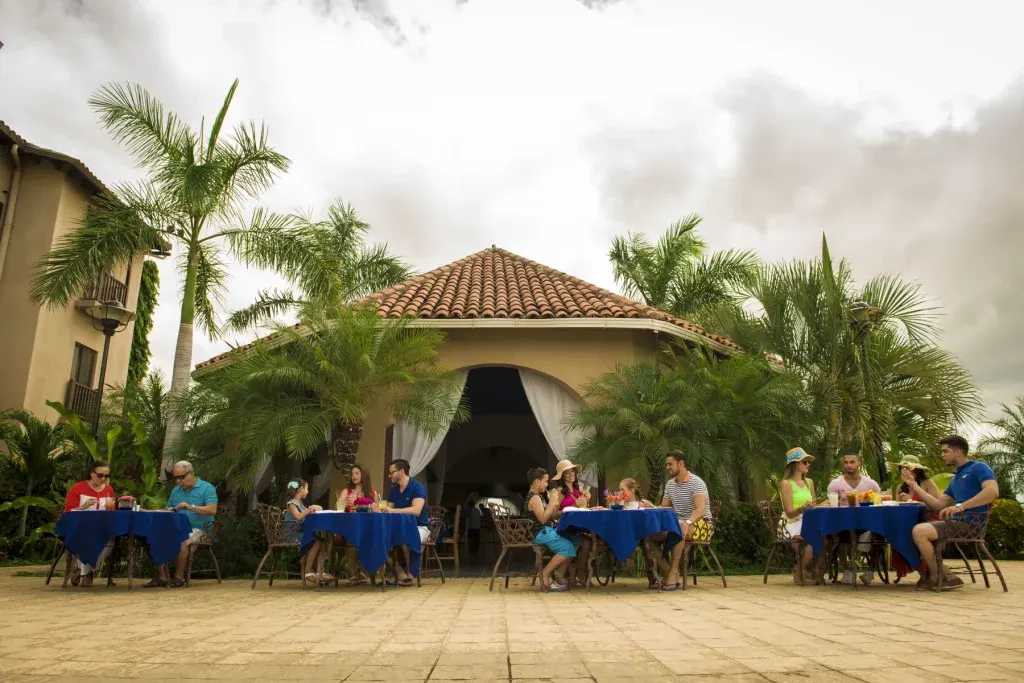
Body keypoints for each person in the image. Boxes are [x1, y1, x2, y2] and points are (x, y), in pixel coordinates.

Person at [907, 435, 998, 591]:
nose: (942, 455)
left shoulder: (978, 467)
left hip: (971, 523)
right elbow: (938, 504)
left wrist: (962, 506)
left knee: (919, 531)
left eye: (945, 451)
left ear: (958, 451)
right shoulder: (955, 479)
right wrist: (914, 486)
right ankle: (944, 575)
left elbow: (992, 491)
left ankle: (939, 576)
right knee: (914, 529)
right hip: (956, 522)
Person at [641, 450, 714, 592]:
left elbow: (700, 510)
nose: (667, 467)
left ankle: (672, 574)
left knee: (679, 527)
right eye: (666, 464)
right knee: (648, 536)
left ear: (680, 463)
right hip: (677, 524)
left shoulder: (696, 483)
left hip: (702, 524)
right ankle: (672, 572)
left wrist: (687, 522)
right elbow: (664, 508)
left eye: (670, 464)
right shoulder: (670, 484)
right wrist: (653, 506)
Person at [145, 461, 217, 588]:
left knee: (184, 539)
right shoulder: (176, 490)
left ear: (191, 473)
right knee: (154, 536)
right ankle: (162, 576)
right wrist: (149, 511)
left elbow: (212, 510)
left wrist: (190, 507)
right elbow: (170, 510)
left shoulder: (207, 488)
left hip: (202, 529)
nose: (178, 481)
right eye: (176, 478)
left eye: (181, 477)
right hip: (177, 527)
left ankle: (179, 577)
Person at [826, 453, 883, 584]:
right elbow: (830, 504)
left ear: (859, 464)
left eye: (852, 462)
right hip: (843, 524)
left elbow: (879, 500)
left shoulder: (870, 484)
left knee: (880, 535)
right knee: (839, 535)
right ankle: (847, 570)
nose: (849, 465)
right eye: (846, 462)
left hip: (867, 524)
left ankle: (870, 572)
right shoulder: (835, 484)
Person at [889, 455, 941, 584]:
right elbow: (897, 509)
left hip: (929, 518)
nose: (904, 471)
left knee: (910, 533)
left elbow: (936, 505)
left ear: (916, 470)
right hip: (909, 521)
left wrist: (913, 501)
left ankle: (929, 573)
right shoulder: (901, 488)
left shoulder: (927, 483)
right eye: (902, 468)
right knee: (897, 534)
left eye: (908, 468)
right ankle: (922, 571)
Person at [525, 467, 578, 592]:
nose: (547, 484)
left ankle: (558, 577)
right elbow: (543, 519)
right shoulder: (534, 498)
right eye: (545, 481)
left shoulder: (539, 497)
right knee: (567, 547)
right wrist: (552, 501)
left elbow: (550, 515)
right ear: (537, 482)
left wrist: (557, 509)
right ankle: (545, 573)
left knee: (574, 540)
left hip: (546, 531)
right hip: (540, 533)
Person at [63, 461, 116, 586]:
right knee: (87, 537)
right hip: (79, 528)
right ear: (92, 474)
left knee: (111, 540)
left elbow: (112, 511)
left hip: (101, 528)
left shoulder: (108, 490)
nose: (103, 479)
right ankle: (87, 573)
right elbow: (68, 513)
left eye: (106, 476)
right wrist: (83, 507)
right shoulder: (78, 488)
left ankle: (83, 569)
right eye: (100, 475)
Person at [384, 458, 429, 586]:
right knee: (380, 538)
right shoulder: (394, 490)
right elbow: (389, 509)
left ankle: (410, 573)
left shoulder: (417, 487)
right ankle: (398, 571)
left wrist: (392, 511)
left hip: (419, 527)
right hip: (397, 528)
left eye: (392, 472)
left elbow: (416, 510)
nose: (389, 475)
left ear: (402, 471)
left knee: (404, 538)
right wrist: (381, 508)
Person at [779, 447, 816, 584]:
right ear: (795, 464)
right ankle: (800, 571)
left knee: (826, 538)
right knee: (810, 544)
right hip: (791, 522)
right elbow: (789, 512)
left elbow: (814, 504)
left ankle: (813, 572)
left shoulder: (809, 482)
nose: (808, 465)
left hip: (808, 520)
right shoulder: (786, 484)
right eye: (804, 462)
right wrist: (802, 508)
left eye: (808, 462)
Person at [281, 479, 324, 585]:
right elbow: (298, 517)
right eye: (307, 489)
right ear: (300, 489)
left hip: (300, 533)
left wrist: (315, 508)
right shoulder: (292, 503)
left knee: (320, 540)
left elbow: (307, 512)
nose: (308, 491)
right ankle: (308, 570)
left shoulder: (300, 503)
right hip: (292, 535)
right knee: (317, 541)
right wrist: (308, 510)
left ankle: (316, 571)